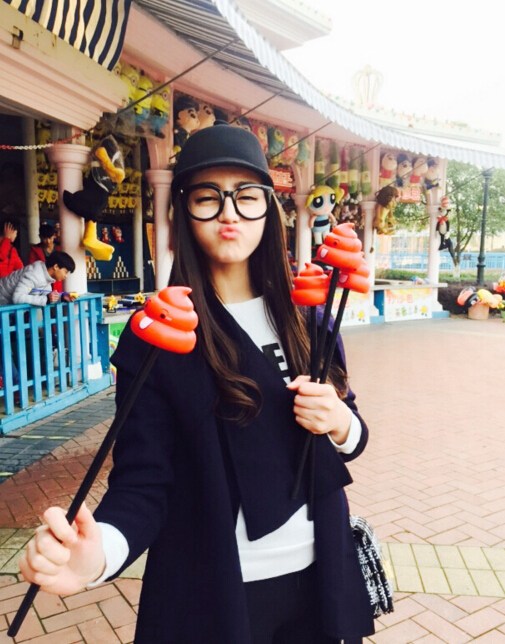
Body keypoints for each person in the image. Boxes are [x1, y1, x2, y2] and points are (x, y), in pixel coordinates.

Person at [18, 123, 374, 643]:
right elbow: (144, 480)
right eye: (208, 198)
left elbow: (352, 436)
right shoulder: (160, 334)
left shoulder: (310, 320)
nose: (229, 213)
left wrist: (341, 423)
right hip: (213, 591)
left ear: (268, 209)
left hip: (320, 579)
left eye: (246, 196)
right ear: (183, 210)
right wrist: (98, 555)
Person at [0, 250, 75, 306]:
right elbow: (17, 297)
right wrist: (46, 299)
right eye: (65, 272)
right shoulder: (34, 274)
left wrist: (62, 298)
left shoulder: (46, 277)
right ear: (56, 267)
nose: (66, 276)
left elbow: (47, 297)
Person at [28, 223, 63, 292]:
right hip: (41, 284)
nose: (48, 241)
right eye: (45, 238)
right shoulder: (35, 250)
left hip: (57, 283)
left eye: (50, 238)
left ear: (54, 236)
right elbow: (31, 268)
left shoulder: (59, 248)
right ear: (40, 237)